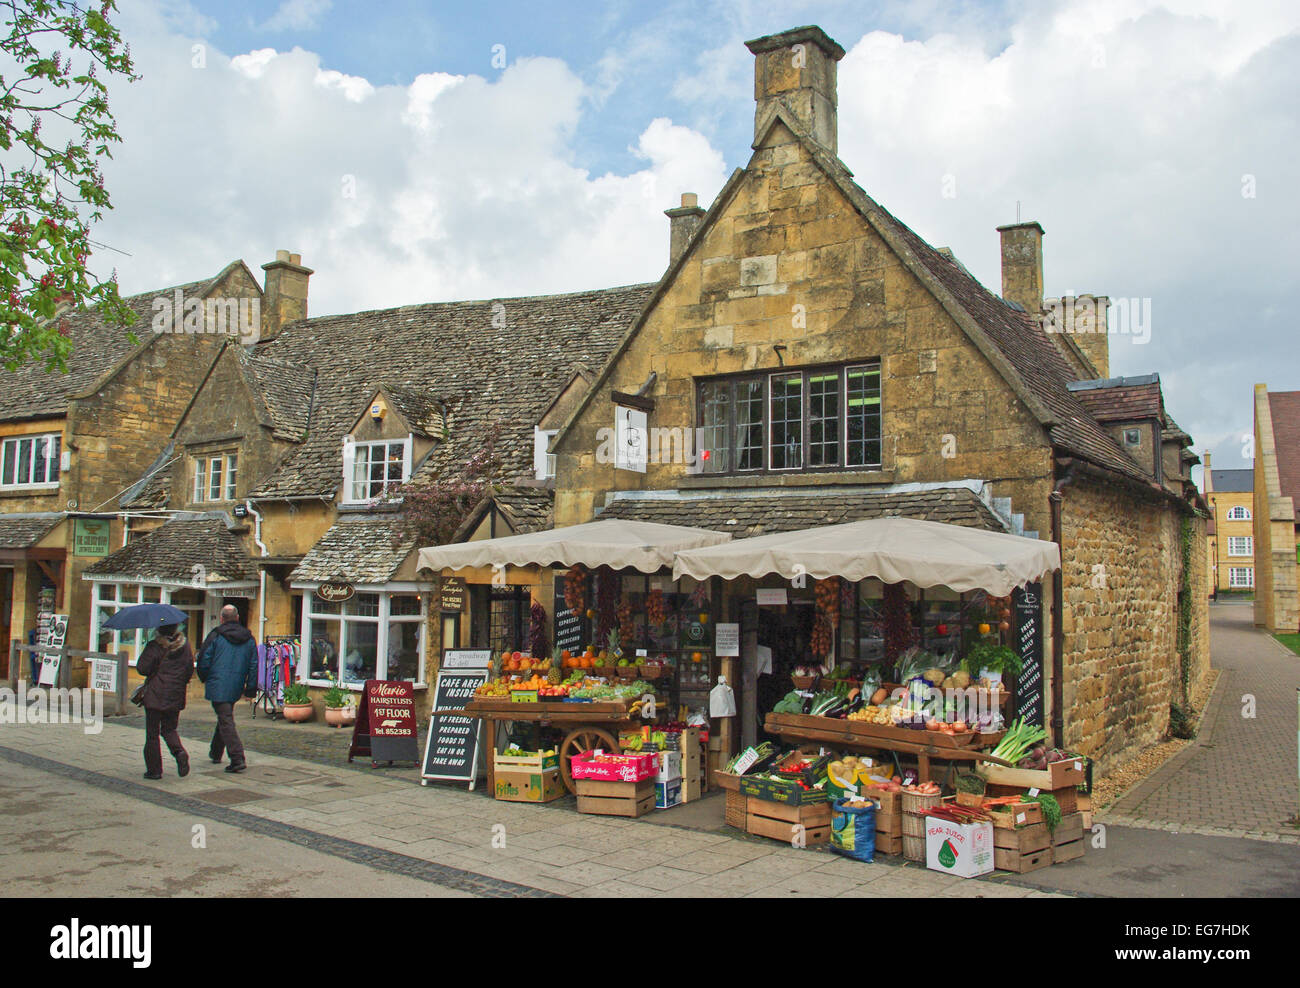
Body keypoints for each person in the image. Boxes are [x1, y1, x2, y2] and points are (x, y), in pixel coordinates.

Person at [196, 605, 258, 773]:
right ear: (237, 618)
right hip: (236, 683)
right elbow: (254, 665)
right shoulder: (249, 638)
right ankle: (215, 752)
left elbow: (204, 659)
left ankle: (237, 758)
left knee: (225, 719)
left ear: (222, 618)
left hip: (217, 682)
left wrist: (204, 677)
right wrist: (251, 688)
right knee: (225, 716)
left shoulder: (215, 636)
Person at [137, 624, 194, 780]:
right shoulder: (185, 646)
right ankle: (179, 752)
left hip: (155, 694)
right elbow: (189, 669)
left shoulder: (154, 646)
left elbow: (142, 668)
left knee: (152, 734)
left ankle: (154, 770)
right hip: (175, 693)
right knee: (169, 729)